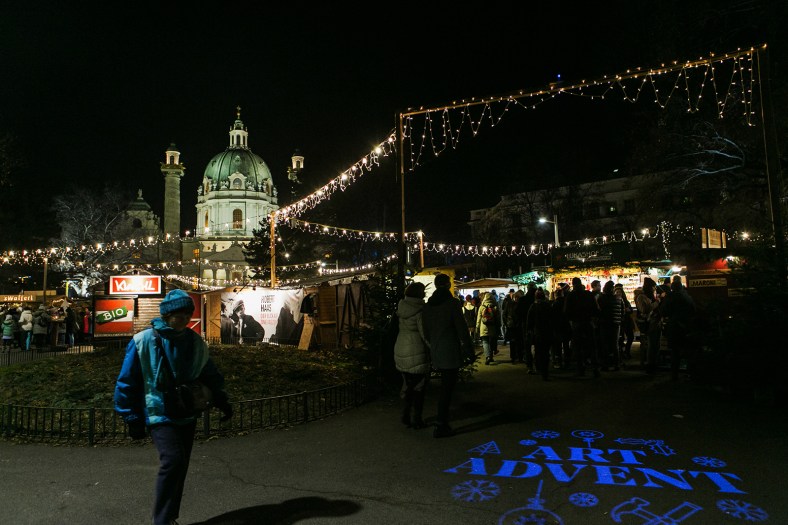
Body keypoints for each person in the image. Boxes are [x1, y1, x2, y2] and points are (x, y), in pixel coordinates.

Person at [114, 289, 233, 525]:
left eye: (188, 314)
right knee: (174, 461)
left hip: (186, 410)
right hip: (158, 411)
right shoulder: (144, 341)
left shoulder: (193, 341)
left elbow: (208, 372)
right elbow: (127, 380)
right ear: (167, 314)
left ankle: (168, 517)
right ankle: (161, 520)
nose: (185, 318)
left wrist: (220, 399)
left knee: (181, 465)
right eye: (179, 314)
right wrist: (131, 416)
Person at [421, 273, 475, 438]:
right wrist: (468, 350)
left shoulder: (428, 306)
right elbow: (461, 329)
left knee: (445, 387)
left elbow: (426, 330)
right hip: (450, 349)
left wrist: (433, 345)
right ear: (446, 285)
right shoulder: (452, 303)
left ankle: (441, 421)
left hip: (436, 350)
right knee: (447, 388)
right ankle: (441, 423)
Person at [393, 282, 430, 429]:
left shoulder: (401, 308)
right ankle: (416, 418)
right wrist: (433, 348)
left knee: (408, 384)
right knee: (419, 387)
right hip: (416, 351)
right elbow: (424, 334)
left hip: (401, 348)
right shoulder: (420, 311)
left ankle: (406, 413)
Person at [564, 277, 601, 377]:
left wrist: (571, 321)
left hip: (577, 323)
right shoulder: (588, 294)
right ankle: (595, 368)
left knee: (578, 347)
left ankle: (581, 368)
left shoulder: (571, 295)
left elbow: (566, 311)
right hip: (588, 322)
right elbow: (596, 309)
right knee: (592, 346)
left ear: (573, 284)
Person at [661, 278, 697, 380]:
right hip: (687, 326)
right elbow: (694, 310)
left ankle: (674, 374)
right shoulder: (688, 297)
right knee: (688, 350)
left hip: (674, 326)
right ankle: (690, 372)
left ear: (672, 288)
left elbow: (663, 311)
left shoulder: (670, 297)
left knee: (675, 352)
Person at [597, 281, 624, 370]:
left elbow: (598, 311)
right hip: (616, 324)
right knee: (615, 344)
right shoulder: (619, 298)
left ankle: (605, 365)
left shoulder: (601, 298)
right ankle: (617, 364)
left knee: (604, 344)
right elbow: (623, 312)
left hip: (604, 323)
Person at [526, 289, 553, 380]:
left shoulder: (533, 306)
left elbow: (529, 321)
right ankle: (545, 371)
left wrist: (529, 331)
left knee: (538, 351)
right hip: (547, 332)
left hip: (537, 333)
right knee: (545, 352)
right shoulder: (547, 306)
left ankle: (539, 368)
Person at [476, 292, 501, 365]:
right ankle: (491, 356)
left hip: (483, 327)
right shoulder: (495, 306)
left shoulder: (482, 307)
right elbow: (498, 318)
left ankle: (488, 357)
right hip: (493, 327)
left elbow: (479, 318)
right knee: (491, 342)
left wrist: (477, 327)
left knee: (485, 342)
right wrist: (499, 326)